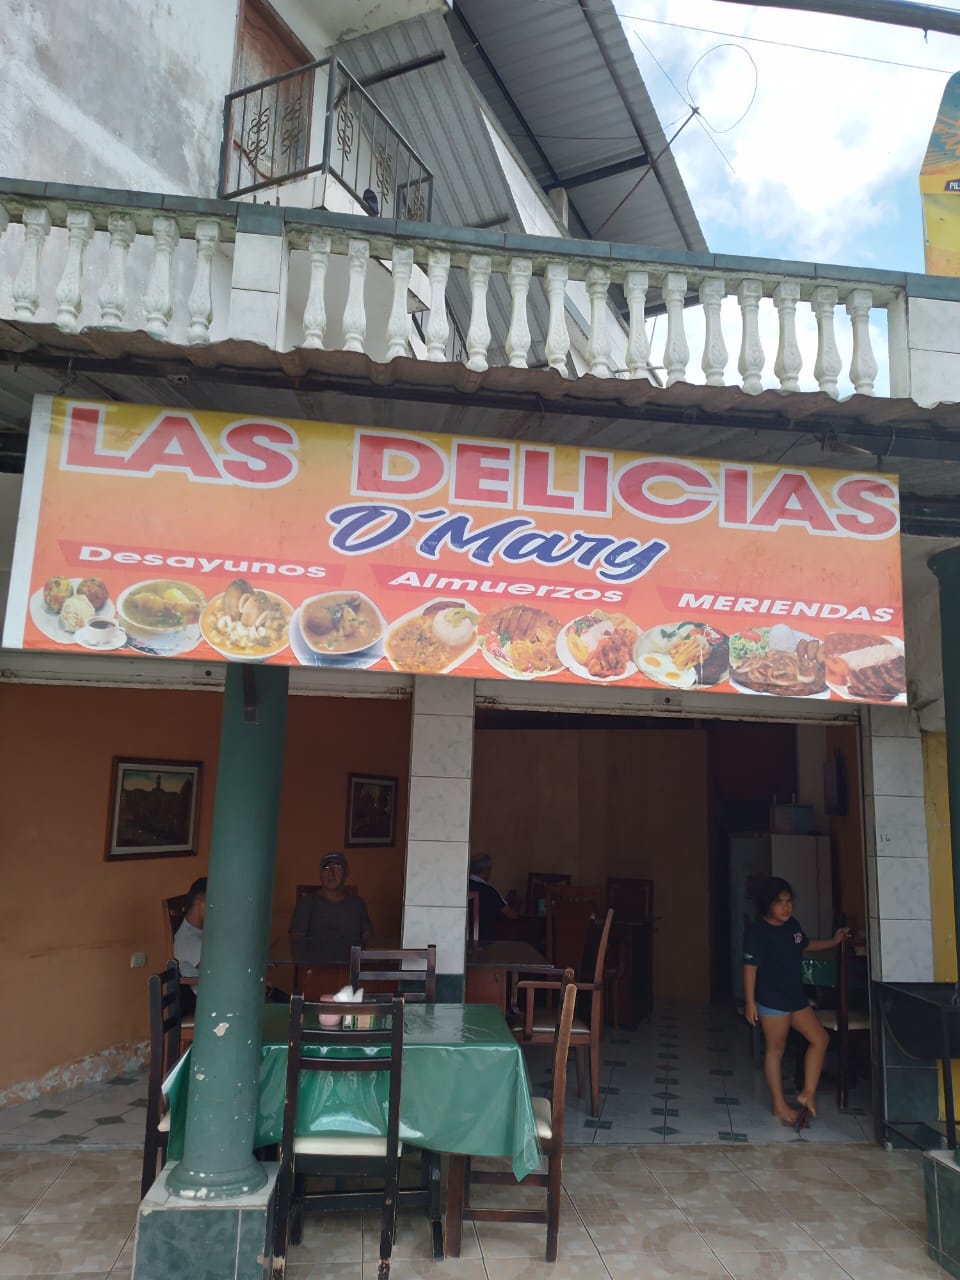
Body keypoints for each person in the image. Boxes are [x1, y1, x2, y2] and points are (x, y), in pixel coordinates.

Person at [743, 876, 848, 1125]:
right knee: (775, 1050)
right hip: (771, 999)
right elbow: (750, 968)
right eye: (779, 902)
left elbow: (806, 944)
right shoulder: (757, 931)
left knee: (820, 1039)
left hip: (795, 998)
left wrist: (834, 941)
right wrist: (750, 1002)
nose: (786, 907)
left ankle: (808, 1092)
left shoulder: (792, 926)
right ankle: (779, 1106)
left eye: (789, 901)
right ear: (767, 904)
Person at [288, 851, 372, 960]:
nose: (331, 873)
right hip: (315, 967)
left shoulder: (358, 904)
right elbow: (296, 944)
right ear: (320, 875)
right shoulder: (306, 903)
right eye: (326, 868)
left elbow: (367, 938)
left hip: (350, 966)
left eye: (337, 868)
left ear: (346, 873)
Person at [173, 877, 206, 1015]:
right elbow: (217, 971)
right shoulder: (189, 940)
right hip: (206, 1002)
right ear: (201, 903)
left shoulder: (200, 931)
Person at [469, 853, 516, 943]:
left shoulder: (461, 887)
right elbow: (511, 914)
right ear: (486, 871)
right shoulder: (489, 891)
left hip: (460, 938)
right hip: (484, 941)